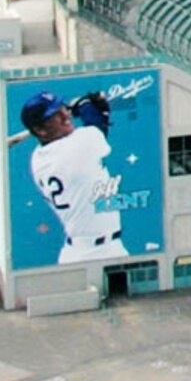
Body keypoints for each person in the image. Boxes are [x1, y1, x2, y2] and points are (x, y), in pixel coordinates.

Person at [18, 89, 131, 261]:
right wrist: (84, 104)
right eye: (55, 115)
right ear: (40, 130)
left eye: (62, 108)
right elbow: (97, 125)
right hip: (91, 255)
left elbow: (94, 126)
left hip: (89, 250)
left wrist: (87, 107)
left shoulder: (38, 157)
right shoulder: (76, 147)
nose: (65, 115)